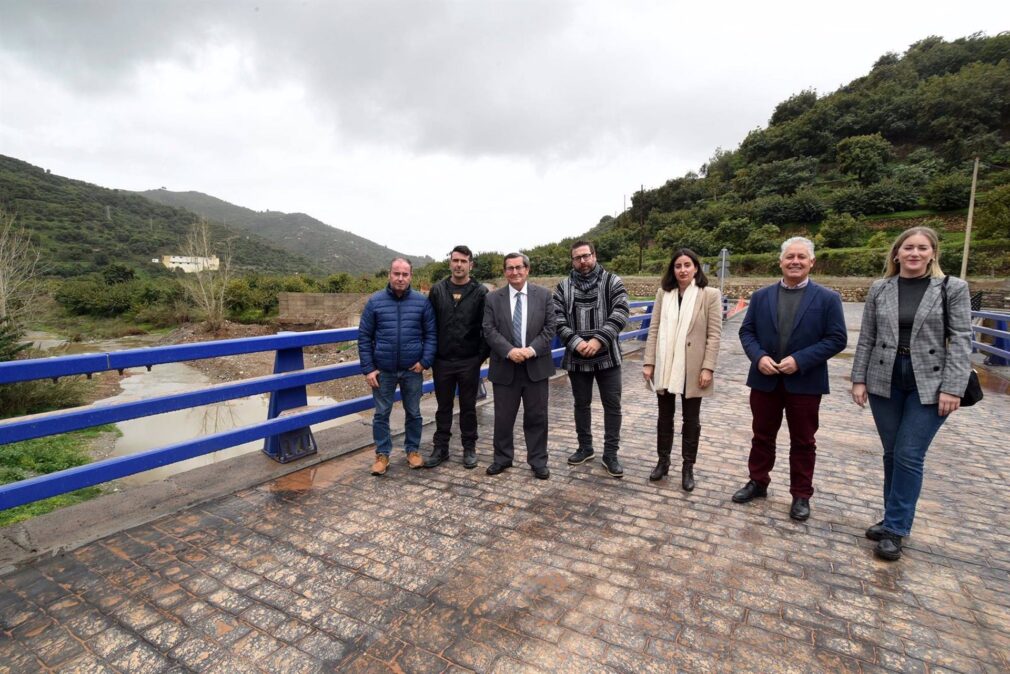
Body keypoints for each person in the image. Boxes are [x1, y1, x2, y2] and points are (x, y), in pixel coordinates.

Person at [850, 226, 971, 561]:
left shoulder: (952, 288)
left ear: (933, 253)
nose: (914, 253)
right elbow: (867, 337)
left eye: (922, 248)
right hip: (885, 379)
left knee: (908, 453)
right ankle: (893, 518)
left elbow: (962, 339)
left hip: (929, 384)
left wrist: (953, 386)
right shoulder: (881, 288)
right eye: (908, 248)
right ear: (897, 253)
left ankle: (896, 529)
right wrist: (859, 379)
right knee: (892, 453)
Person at [733, 237, 847, 521]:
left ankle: (801, 494)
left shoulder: (828, 299)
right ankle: (758, 482)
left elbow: (837, 338)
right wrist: (758, 357)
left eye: (801, 257)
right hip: (765, 379)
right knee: (761, 436)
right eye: (790, 257)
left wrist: (801, 360)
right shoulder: (761, 296)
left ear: (812, 262)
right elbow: (746, 332)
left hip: (805, 383)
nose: (795, 261)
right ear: (780, 261)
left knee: (804, 441)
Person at [642, 248, 722, 490]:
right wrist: (649, 362)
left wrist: (708, 367)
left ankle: (688, 467)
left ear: (696, 267)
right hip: (665, 364)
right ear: (673, 270)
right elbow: (653, 329)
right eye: (678, 266)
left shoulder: (709, 295)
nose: (683, 269)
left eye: (688, 265)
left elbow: (714, 335)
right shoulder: (663, 294)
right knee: (664, 417)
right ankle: (662, 462)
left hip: (693, 367)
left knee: (691, 420)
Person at [553, 241, 629, 478]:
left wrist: (598, 340)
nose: (583, 261)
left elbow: (621, 311)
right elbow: (557, 319)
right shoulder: (563, 287)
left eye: (586, 256)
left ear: (594, 255)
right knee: (581, 404)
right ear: (572, 260)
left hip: (608, 356)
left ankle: (610, 454)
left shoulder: (612, 281)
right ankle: (585, 447)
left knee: (612, 406)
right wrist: (576, 342)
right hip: (577, 358)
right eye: (577, 258)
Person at [358, 258, 436, 476]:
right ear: (389, 275)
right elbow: (364, 337)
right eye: (396, 274)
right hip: (383, 370)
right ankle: (382, 454)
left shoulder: (422, 302)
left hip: (413, 370)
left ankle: (412, 451)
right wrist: (369, 369)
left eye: (405, 274)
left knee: (414, 412)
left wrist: (424, 362)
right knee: (381, 413)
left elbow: (431, 334)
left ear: (411, 276)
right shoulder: (375, 302)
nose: (400, 278)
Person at [482, 253, 556, 479]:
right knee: (503, 418)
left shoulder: (544, 296)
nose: (514, 272)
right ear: (505, 271)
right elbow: (489, 329)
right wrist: (509, 351)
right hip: (505, 366)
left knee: (537, 417)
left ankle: (538, 461)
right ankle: (502, 458)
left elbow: (550, 327)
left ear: (527, 270)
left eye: (518, 268)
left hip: (536, 365)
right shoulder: (493, 298)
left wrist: (531, 350)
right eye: (510, 268)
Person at [425, 245, 489, 469]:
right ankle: (441, 448)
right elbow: (429, 325)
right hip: (442, 361)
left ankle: (469, 447)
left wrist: (478, 358)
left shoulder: (480, 292)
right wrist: (431, 356)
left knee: (468, 406)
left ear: (470, 264)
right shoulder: (438, 290)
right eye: (455, 260)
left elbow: (486, 328)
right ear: (450, 263)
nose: (459, 265)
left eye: (463, 261)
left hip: (468, 360)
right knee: (443, 406)